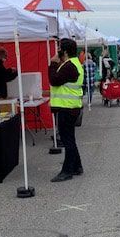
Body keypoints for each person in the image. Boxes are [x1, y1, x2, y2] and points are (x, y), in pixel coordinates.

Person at [49, 38, 84, 182]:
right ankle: (77, 166)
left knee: (67, 140)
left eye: (59, 47)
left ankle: (67, 170)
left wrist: (52, 64)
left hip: (66, 107)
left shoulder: (69, 66)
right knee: (70, 139)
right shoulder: (74, 64)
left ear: (63, 51)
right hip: (70, 106)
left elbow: (54, 80)